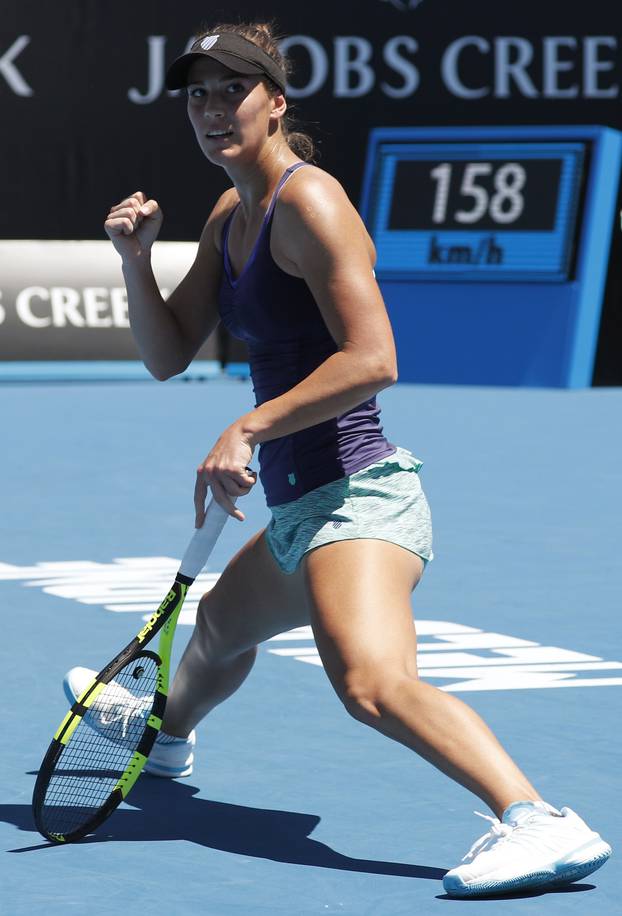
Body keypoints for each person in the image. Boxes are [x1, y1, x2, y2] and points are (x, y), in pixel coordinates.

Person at [64, 22, 611, 898]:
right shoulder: (227, 213)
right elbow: (168, 355)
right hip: (300, 507)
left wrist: (249, 428)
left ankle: (539, 820)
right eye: (196, 95)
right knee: (215, 634)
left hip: (360, 498)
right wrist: (134, 262)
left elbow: (375, 357)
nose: (210, 110)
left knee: (370, 684)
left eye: (230, 91)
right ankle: (165, 736)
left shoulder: (308, 201)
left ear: (275, 102)